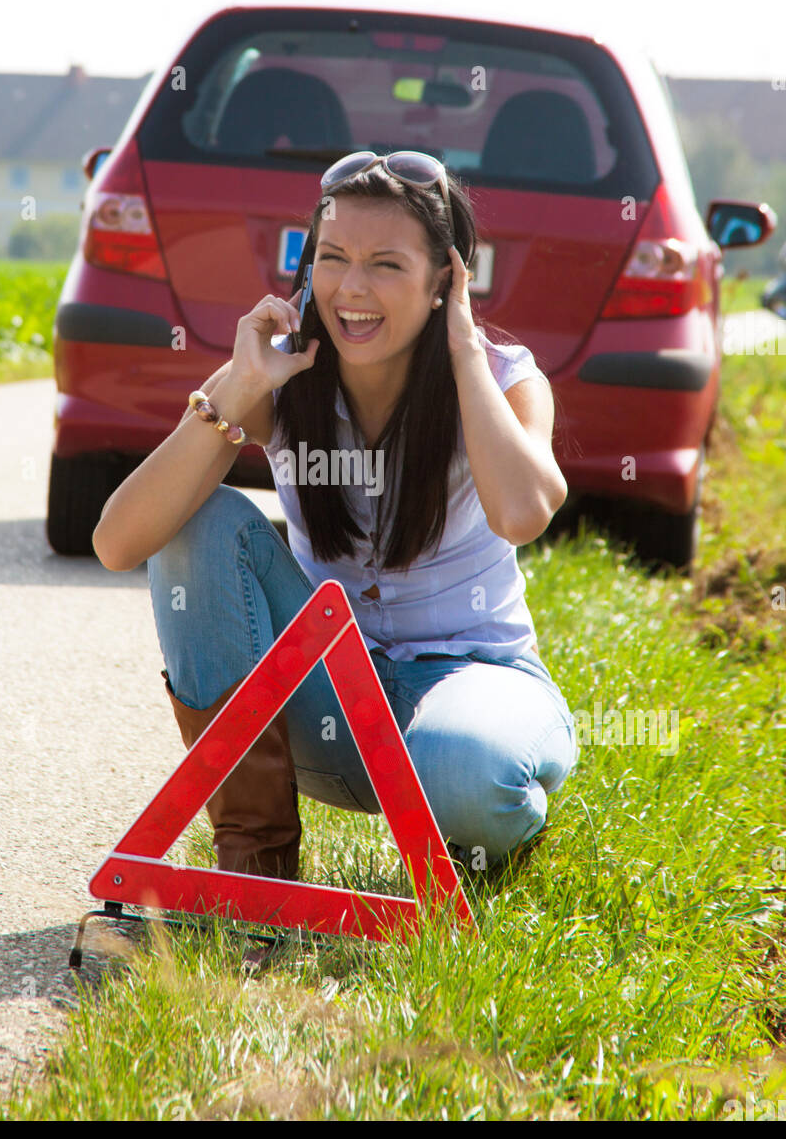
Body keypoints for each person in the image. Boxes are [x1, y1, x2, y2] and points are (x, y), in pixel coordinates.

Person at [92, 151, 579, 889]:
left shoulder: (505, 378)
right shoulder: (284, 374)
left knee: (462, 769)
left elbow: (521, 513)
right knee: (200, 523)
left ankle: (491, 831)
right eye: (332, 257)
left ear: (445, 278)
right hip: (328, 705)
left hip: (472, 687)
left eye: (386, 264)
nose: (351, 288)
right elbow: (119, 541)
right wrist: (242, 384)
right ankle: (255, 866)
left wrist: (465, 351)